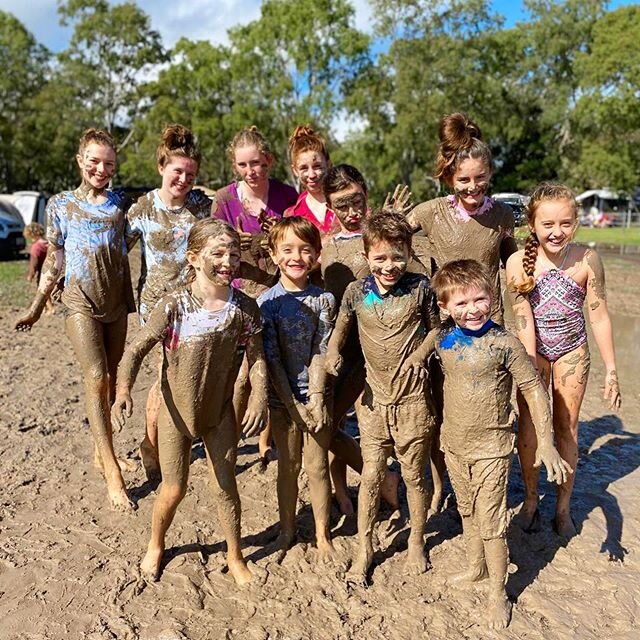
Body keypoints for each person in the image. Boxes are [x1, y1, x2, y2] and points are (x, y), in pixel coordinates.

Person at [402, 259, 572, 630]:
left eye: (479, 299)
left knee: (492, 522)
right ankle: (476, 567)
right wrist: (414, 362)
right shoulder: (442, 337)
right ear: (444, 307)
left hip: (493, 446)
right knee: (465, 510)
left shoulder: (504, 343)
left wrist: (546, 442)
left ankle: (498, 591)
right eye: (461, 303)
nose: (472, 309)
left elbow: (533, 389)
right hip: (454, 443)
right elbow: (421, 349)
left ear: (492, 298)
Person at [111, 218, 268, 584]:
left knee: (226, 485)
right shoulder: (174, 305)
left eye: (233, 252)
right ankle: (155, 543)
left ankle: (235, 554)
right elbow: (135, 351)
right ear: (194, 258)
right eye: (218, 253)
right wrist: (122, 392)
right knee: (174, 487)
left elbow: (258, 358)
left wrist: (259, 396)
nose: (228, 260)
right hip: (176, 414)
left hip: (218, 413)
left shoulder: (244, 308)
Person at [15, 128, 136, 511]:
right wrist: (37, 305)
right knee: (97, 378)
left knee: (113, 380)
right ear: (80, 161)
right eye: (94, 161)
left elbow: (136, 237)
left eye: (109, 164)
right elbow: (56, 256)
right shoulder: (60, 205)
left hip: (116, 302)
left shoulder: (122, 204)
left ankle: (103, 452)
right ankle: (113, 473)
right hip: (77, 301)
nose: (101, 169)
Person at [405, 112, 519, 513]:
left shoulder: (502, 217)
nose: (473, 187)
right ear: (448, 178)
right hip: (443, 330)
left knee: (491, 409)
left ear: (490, 173)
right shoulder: (430, 212)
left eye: (480, 178)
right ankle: (443, 486)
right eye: (463, 180)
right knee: (442, 409)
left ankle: (491, 493)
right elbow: (393, 242)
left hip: (492, 327)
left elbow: (515, 262)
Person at [324, 211, 440, 584]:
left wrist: (421, 356)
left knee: (413, 475)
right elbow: (341, 329)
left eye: (397, 256)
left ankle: (418, 541)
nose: (389, 266)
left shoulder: (420, 287)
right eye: (380, 258)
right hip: (373, 400)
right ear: (366, 255)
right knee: (371, 475)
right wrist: (333, 353)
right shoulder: (357, 292)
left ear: (408, 252)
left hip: (412, 400)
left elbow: (438, 330)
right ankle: (364, 547)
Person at [505, 182, 621, 539]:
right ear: (532, 226)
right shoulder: (516, 264)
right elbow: (524, 326)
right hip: (534, 352)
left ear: (576, 223)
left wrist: (612, 370)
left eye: (566, 224)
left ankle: (563, 507)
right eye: (548, 224)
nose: (557, 232)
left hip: (573, 351)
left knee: (566, 428)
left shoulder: (587, 260)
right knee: (528, 427)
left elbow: (598, 315)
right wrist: (529, 375)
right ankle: (529, 502)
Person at [126, 124, 212, 480]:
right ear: (162, 166)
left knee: (178, 374)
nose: (184, 179)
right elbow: (117, 251)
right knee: (168, 374)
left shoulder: (201, 208)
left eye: (191, 174)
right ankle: (152, 443)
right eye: (178, 171)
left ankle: (165, 439)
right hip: (156, 307)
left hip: (193, 304)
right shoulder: (143, 208)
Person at [214, 126, 297, 463]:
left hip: (277, 293)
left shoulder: (286, 196)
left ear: (269, 161)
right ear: (235, 166)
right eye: (243, 165)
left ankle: (266, 441)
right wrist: (232, 241)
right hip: (238, 296)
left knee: (272, 370)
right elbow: (213, 243)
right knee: (240, 377)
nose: (252, 171)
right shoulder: (224, 200)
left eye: (258, 163)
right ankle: (230, 444)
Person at [257, 216, 336, 561]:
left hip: (318, 396)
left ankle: (322, 533)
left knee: (318, 467)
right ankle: (287, 528)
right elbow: (271, 359)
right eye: (287, 249)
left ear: (317, 254)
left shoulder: (324, 300)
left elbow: (322, 349)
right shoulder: (266, 304)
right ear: (274, 255)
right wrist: (292, 405)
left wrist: (316, 399)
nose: (297, 257)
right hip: (281, 399)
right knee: (287, 466)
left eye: (306, 250)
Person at [284, 126, 338, 236]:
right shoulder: (292, 216)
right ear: (294, 170)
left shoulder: (347, 203)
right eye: (304, 168)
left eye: (317, 166)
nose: (312, 175)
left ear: (328, 165)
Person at [23, 222, 54, 315]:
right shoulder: (48, 244)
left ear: (33, 234)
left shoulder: (36, 247)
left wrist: (30, 275)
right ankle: (45, 308)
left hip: (42, 272)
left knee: (42, 290)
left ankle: (50, 308)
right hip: (52, 270)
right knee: (48, 289)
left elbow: (34, 263)